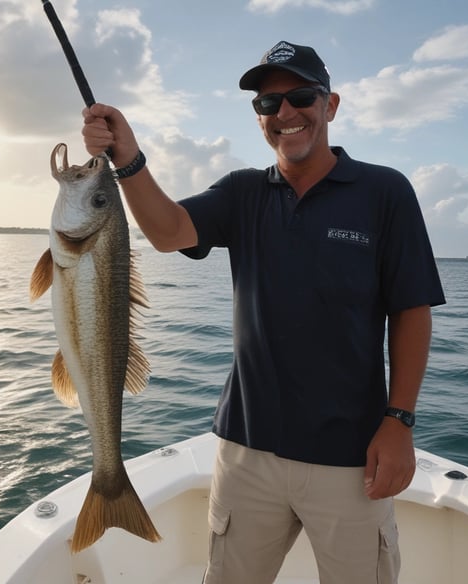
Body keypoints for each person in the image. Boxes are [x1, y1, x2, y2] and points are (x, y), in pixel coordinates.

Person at [82, 40, 446, 584]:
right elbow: (168, 231)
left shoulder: (384, 192)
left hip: (351, 460)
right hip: (245, 451)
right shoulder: (242, 192)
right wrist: (127, 158)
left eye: (300, 96)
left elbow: (412, 311)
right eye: (267, 104)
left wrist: (399, 422)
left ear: (331, 105)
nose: (285, 114)